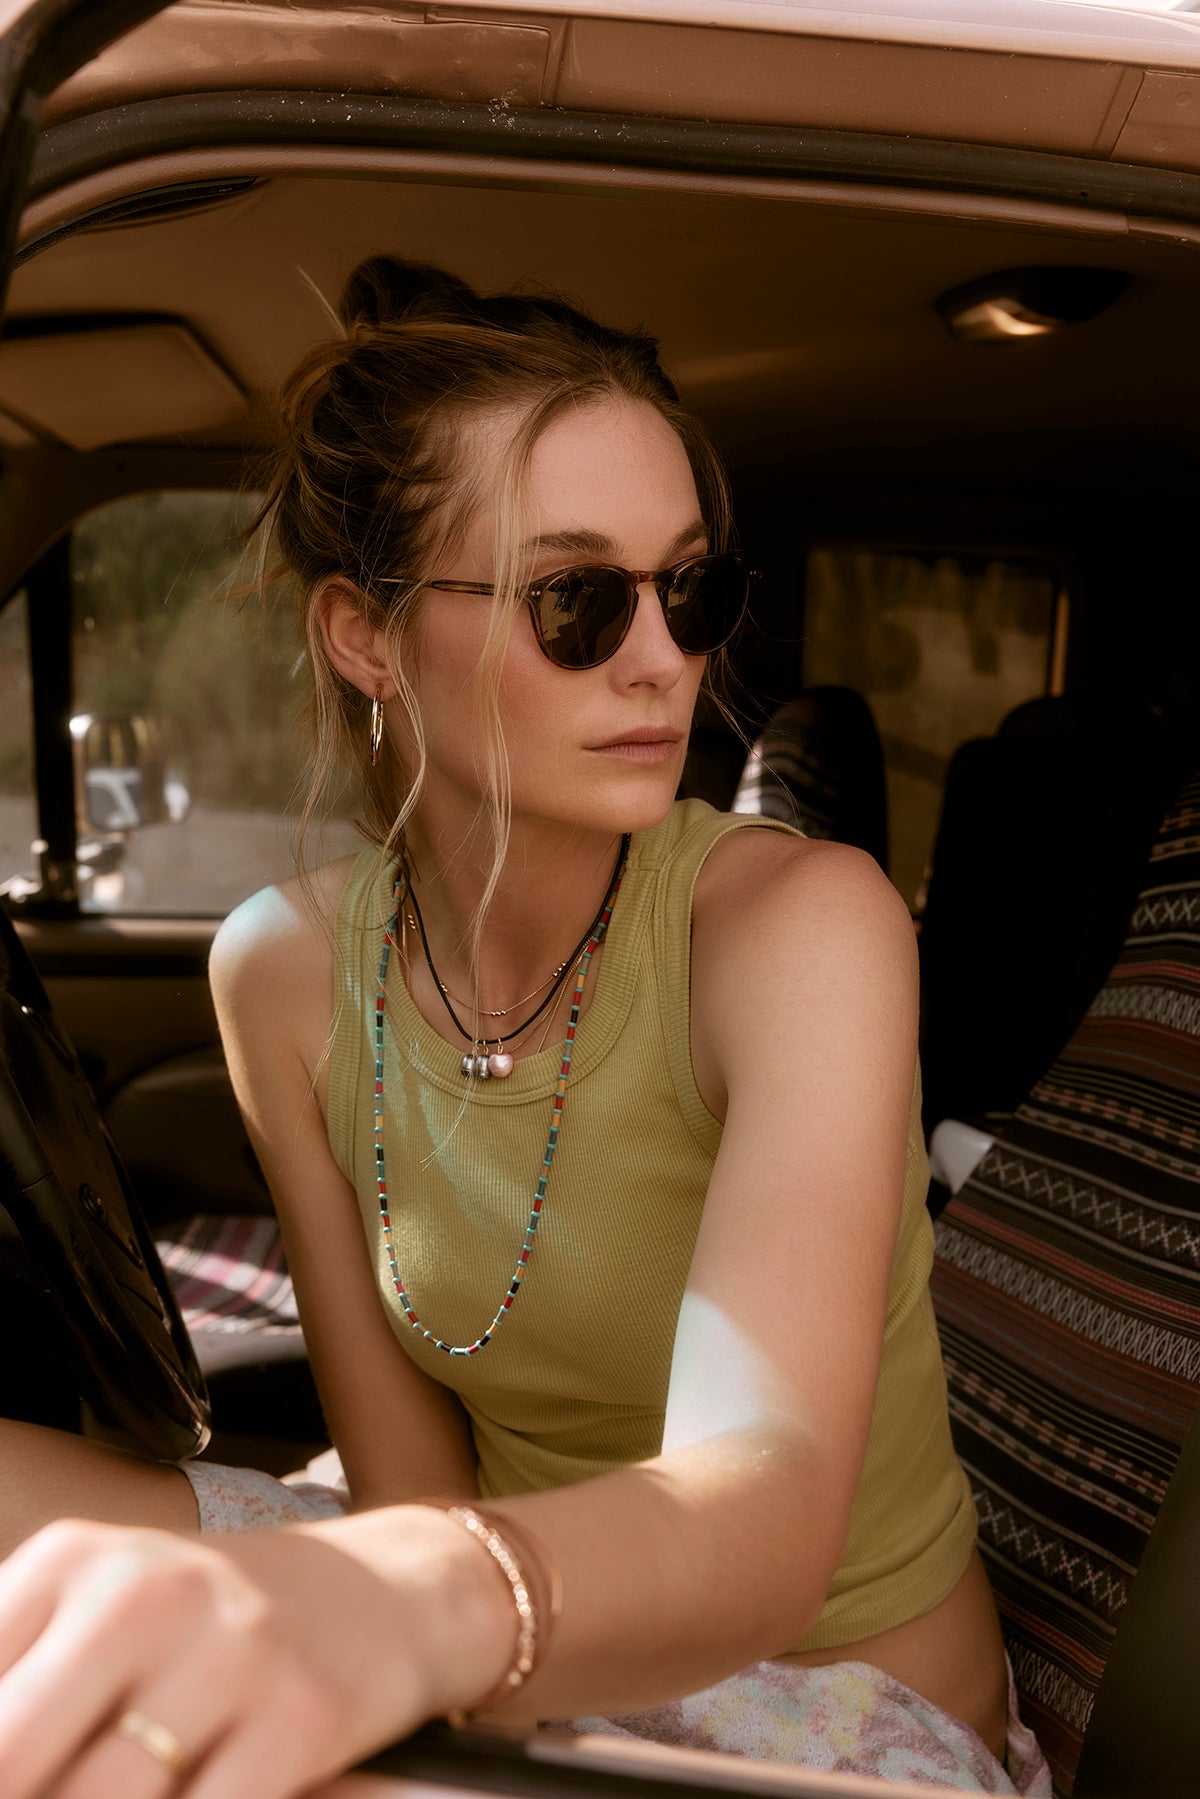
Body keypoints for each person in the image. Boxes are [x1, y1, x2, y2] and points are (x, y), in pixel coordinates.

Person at [0, 258, 1049, 1799]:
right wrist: (389, 1645)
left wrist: (395, 1618)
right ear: (366, 637)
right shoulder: (279, 974)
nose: (663, 657)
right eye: (578, 599)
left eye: (692, 588)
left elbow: (759, 1516)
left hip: (837, 1711)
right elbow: (409, 1486)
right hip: (500, 1636)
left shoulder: (803, 929)